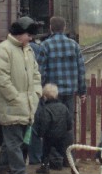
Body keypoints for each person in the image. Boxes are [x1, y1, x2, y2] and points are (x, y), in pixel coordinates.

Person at [0, 15, 42, 174]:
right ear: (20, 34)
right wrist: (14, 97)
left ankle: (3, 173)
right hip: (12, 105)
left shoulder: (27, 50)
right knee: (14, 143)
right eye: (29, 35)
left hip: (25, 104)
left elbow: (35, 74)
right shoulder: (3, 50)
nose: (31, 38)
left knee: (11, 142)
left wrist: (36, 93)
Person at [33, 16, 87, 150]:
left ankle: (53, 157)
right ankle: (67, 156)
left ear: (50, 28)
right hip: (69, 92)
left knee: (50, 123)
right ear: (64, 28)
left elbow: (41, 71)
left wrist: (40, 90)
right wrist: (82, 92)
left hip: (52, 94)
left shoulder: (45, 45)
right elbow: (81, 70)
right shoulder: (74, 45)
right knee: (68, 123)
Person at [32, 83, 73, 174]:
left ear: (45, 97)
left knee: (45, 151)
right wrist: (68, 129)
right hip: (63, 135)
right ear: (57, 95)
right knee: (65, 152)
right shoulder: (63, 107)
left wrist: (40, 134)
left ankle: (44, 166)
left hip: (50, 136)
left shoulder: (45, 109)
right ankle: (73, 167)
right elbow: (69, 121)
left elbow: (44, 123)